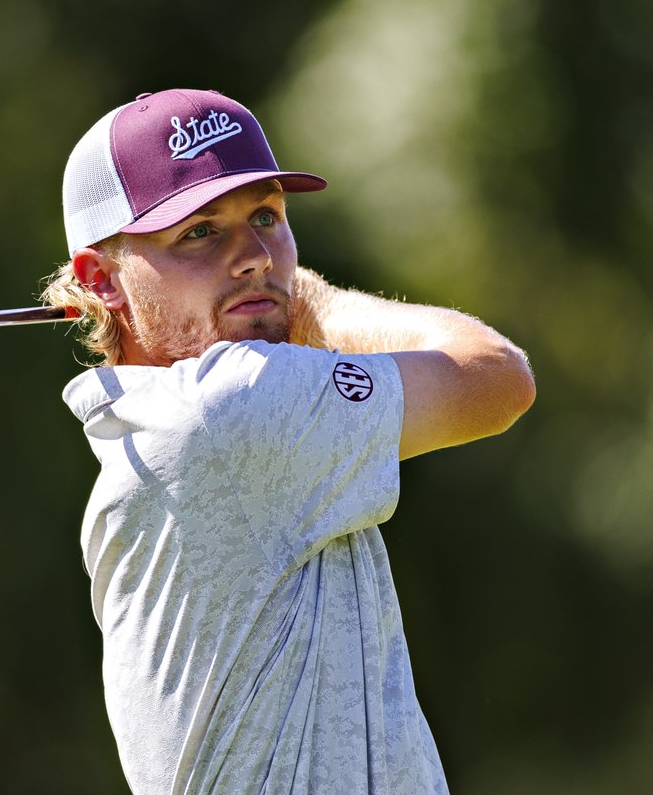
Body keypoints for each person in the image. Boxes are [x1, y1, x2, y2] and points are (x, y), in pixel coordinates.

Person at [41, 88, 535, 794]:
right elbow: (495, 377)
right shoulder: (230, 407)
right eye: (199, 233)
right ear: (102, 280)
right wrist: (312, 300)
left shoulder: (152, 428)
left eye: (266, 217)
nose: (254, 258)